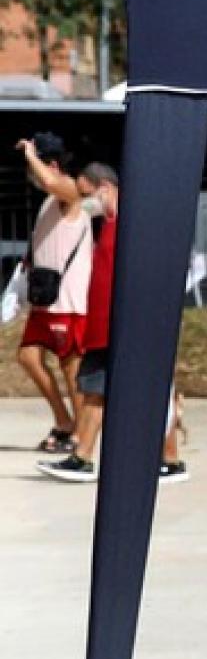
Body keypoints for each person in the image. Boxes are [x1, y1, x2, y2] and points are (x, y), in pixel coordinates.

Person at [34, 163, 189, 484]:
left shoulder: (134, 224)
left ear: (105, 187)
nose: (83, 203)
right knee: (93, 391)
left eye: (87, 195)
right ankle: (82, 457)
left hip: (129, 325)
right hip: (104, 327)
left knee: (154, 392)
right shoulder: (110, 223)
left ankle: (170, 460)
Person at [15, 133, 92, 453]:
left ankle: (80, 434)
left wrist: (31, 156)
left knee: (71, 367)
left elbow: (50, 182)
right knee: (28, 356)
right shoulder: (49, 199)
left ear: (53, 165)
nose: (31, 174)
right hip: (45, 299)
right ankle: (64, 420)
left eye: (35, 167)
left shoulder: (69, 190)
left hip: (68, 301)